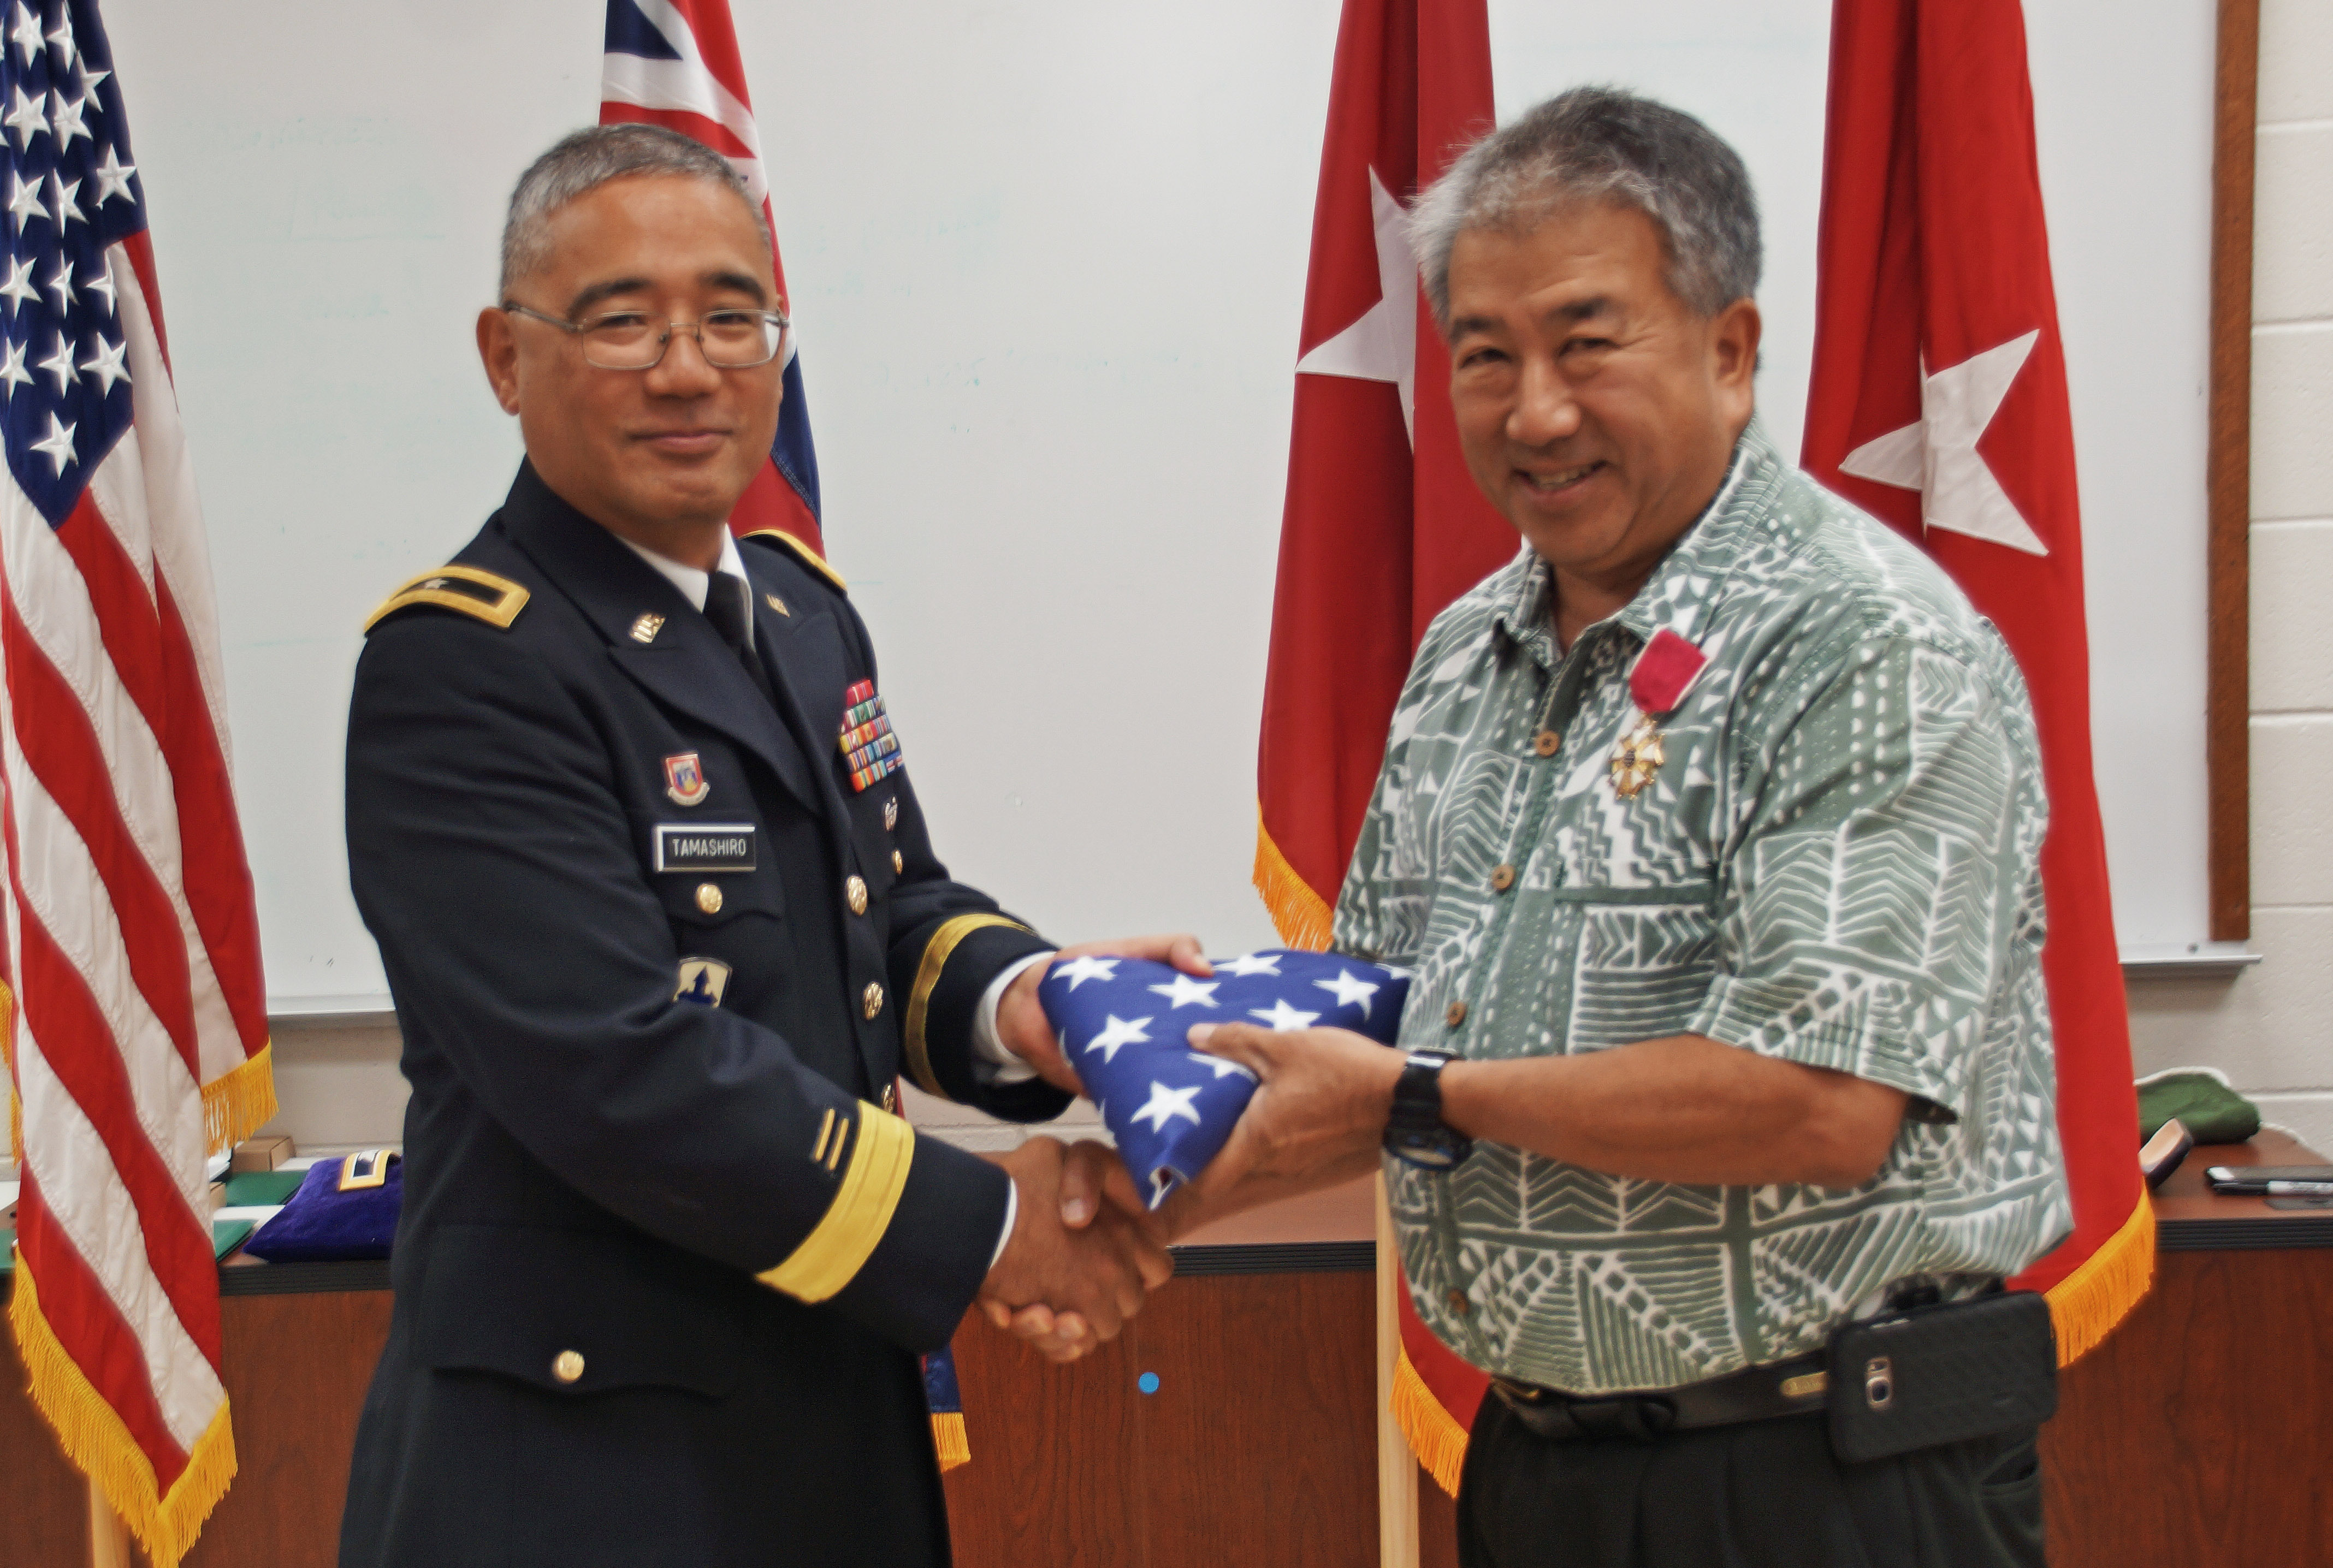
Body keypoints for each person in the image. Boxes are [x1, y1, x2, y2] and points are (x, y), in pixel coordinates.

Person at [1172, 88, 2072, 1567]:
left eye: (1587, 343)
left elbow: (1819, 1102)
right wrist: (1124, 1195)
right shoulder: (1464, 656)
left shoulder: (1861, 639)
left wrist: (1420, 1097)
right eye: (1485, 355)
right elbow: (1377, 1031)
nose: (1535, 412)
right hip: (1543, 1474)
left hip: (1823, 1482)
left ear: (1730, 351)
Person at [340, 124, 1177, 1568]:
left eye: (733, 318)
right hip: (582, 1478)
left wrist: (1031, 1002)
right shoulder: (464, 666)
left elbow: (885, 908)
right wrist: (992, 1231)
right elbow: (619, 1071)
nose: (688, 369)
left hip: (828, 1421)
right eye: (622, 322)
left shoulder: (798, 612)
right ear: (505, 357)